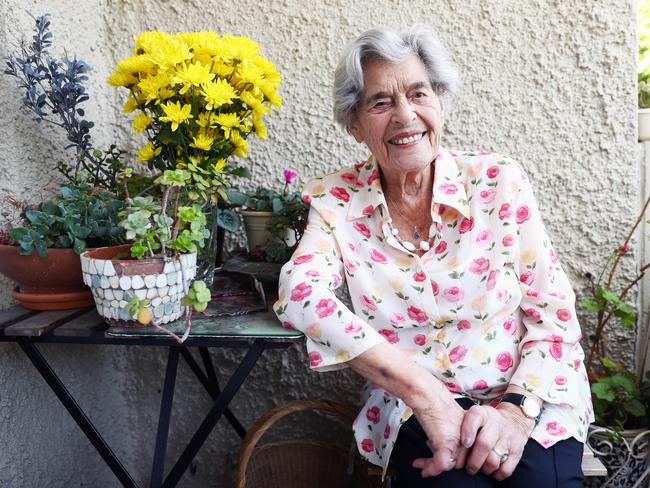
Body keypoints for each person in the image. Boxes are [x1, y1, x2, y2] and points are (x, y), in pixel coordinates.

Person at [273, 24, 593, 487]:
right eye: (381, 102)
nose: (405, 116)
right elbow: (299, 294)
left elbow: (554, 315)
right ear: (356, 125)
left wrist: (515, 414)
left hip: (530, 393)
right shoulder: (335, 200)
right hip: (413, 407)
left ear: (440, 102)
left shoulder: (498, 180)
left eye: (418, 94)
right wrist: (428, 397)